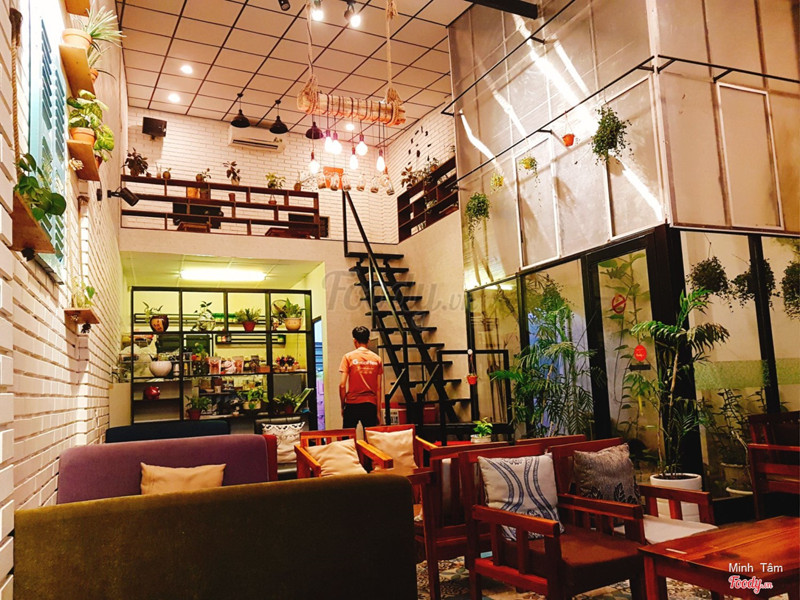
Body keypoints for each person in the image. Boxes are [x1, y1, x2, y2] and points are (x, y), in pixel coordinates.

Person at [339, 325, 383, 428]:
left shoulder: (348, 357)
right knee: (370, 436)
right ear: (368, 340)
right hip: (370, 404)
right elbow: (378, 388)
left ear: (354, 341)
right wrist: (378, 412)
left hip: (352, 404)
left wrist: (343, 405)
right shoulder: (377, 359)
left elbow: (342, 385)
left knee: (348, 436)